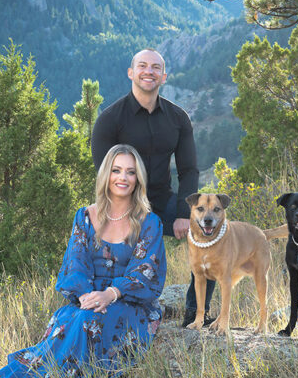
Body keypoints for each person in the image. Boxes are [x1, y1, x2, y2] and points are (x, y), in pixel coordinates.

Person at [0, 144, 166, 378]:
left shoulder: (149, 222)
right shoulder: (85, 216)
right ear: (106, 174)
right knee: (68, 320)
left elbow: (145, 272)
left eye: (131, 172)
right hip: (88, 300)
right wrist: (85, 296)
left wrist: (110, 294)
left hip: (128, 303)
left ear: (138, 178)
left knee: (84, 322)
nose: (123, 178)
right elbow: (75, 263)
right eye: (116, 170)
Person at [91, 48, 215, 327]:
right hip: (121, 204)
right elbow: (105, 176)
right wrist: (123, 216)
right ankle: (109, 313)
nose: (149, 71)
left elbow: (189, 170)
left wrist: (184, 214)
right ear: (131, 73)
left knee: (209, 232)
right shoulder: (110, 120)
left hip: (162, 200)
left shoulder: (178, 118)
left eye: (156, 67)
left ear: (164, 76)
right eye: (143, 66)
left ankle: (196, 314)